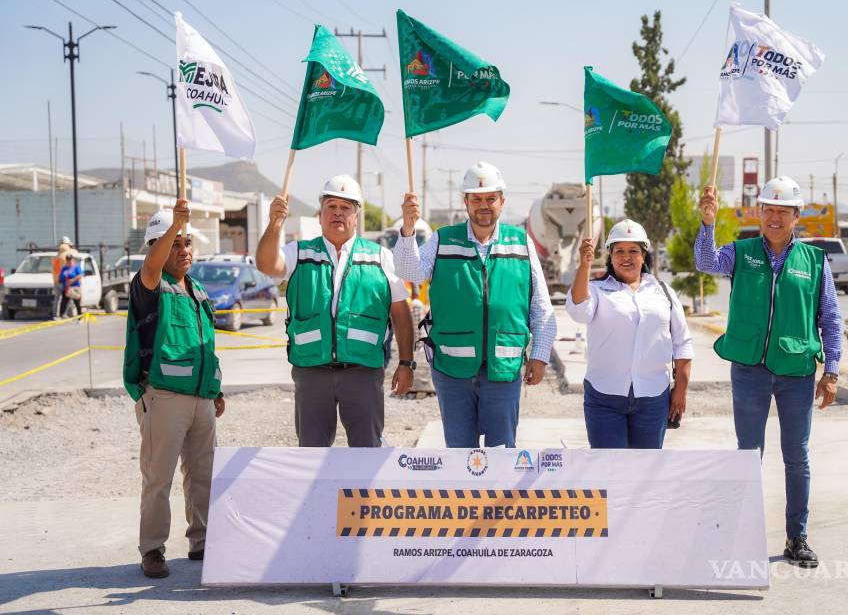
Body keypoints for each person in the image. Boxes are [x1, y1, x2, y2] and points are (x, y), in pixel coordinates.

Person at [695, 175, 842, 569]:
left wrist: (832, 371)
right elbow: (706, 262)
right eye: (769, 210)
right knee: (748, 455)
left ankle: (797, 537)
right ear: (760, 213)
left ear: (797, 216)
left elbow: (830, 317)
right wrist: (707, 225)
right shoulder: (741, 252)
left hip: (796, 371)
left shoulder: (814, 261)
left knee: (796, 456)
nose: (775, 217)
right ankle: (742, 534)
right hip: (749, 370)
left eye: (783, 211)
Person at [394, 162, 556, 448]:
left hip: (503, 369)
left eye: (490, 198)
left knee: (502, 454)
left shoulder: (521, 243)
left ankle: (499, 496)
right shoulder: (443, 239)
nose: (484, 205)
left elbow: (541, 306)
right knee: (459, 456)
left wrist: (540, 356)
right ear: (465, 202)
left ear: (502, 201)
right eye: (477, 199)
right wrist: (408, 229)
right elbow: (410, 272)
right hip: (452, 370)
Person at [256, 175, 414, 448]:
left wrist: (406, 363)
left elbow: (401, 314)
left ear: (357, 215)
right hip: (311, 371)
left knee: (366, 453)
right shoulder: (300, 253)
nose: (338, 213)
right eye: (331, 206)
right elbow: (266, 264)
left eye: (346, 207)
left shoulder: (380, 257)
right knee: (312, 454)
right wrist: (274, 224)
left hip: (362, 372)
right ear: (320, 214)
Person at [121, 201, 225, 579]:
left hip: (200, 399)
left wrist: (216, 389)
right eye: (174, 243)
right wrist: (175, 224)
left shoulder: (197, 291)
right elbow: (151, 264)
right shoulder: (150, 285)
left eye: (187, 243)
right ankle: (152, 550)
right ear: (158, 246)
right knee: (158, 478)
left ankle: (202, 540)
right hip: (162, 397)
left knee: (202, 475)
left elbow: (206, 346)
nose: (183, 250)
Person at [567, 220, 693, 449]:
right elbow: (578, 311)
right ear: (610, 257)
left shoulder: (664, 292)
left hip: (653, 398)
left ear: (644, 255)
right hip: (604, 397)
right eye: (619, 251)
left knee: (645, 473)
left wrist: (680, 391)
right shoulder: (595, 290)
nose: (626, 257)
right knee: (610, 471)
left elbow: (682, 343)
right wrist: (583, 266)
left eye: (633, 251)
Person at [57, 252, 83, 318]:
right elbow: (60, 277)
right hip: (66, 288)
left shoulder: (76, 267)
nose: (69, 261)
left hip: (75, 287)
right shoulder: (64, 268)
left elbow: (80, 275)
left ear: (73, 260)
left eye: (70, 260)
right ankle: (61, 315)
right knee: (64, 302)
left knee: (77, 303)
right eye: (68, 260)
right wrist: (62, 280)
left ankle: (80, 317)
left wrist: (72, 280)